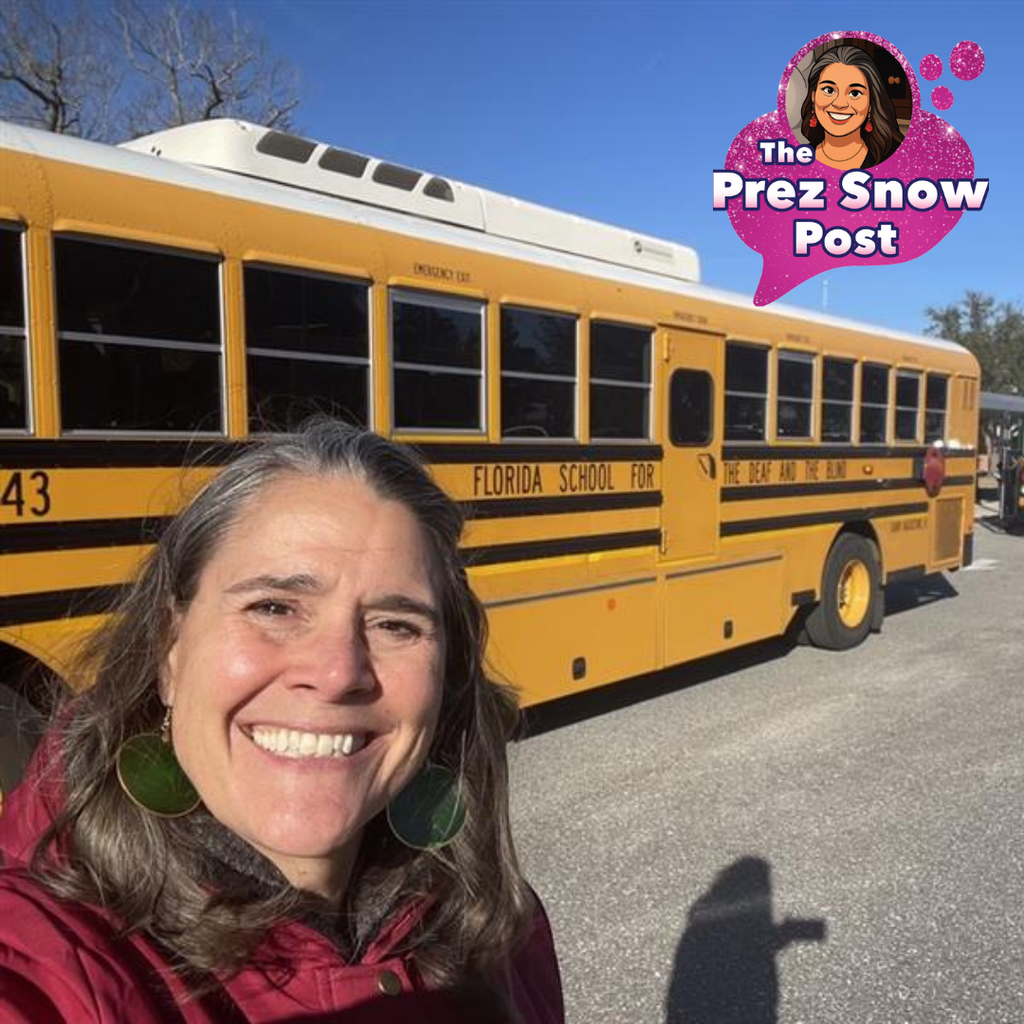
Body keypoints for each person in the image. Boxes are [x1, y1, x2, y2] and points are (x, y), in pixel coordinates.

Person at [0, 420, 564, 1022]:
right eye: (273, 607)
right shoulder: (45, 957)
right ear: (170, 648)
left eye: (396, 624)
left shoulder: (498, 922)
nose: (338, 671)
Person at [799, 44, 905, 170]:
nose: (839, 104)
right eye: (829, 90)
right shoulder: (797, 158)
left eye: (854, 93)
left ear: (871, 103)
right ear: (813, 96)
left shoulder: (898, 158)